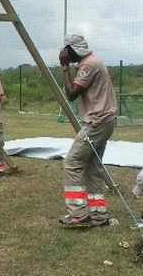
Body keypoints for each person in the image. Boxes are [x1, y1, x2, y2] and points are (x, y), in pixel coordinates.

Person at [57, 33, 117, 228]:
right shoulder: (91, 62)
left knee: (71, 163)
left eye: (66, 50)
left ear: (72, 49)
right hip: (105, 121)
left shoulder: (89, 65)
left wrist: (64, 66)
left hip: (97, 122)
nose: (63, 53)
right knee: (93, 167)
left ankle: (78, 215)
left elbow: (72, 93)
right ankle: (99, 215)